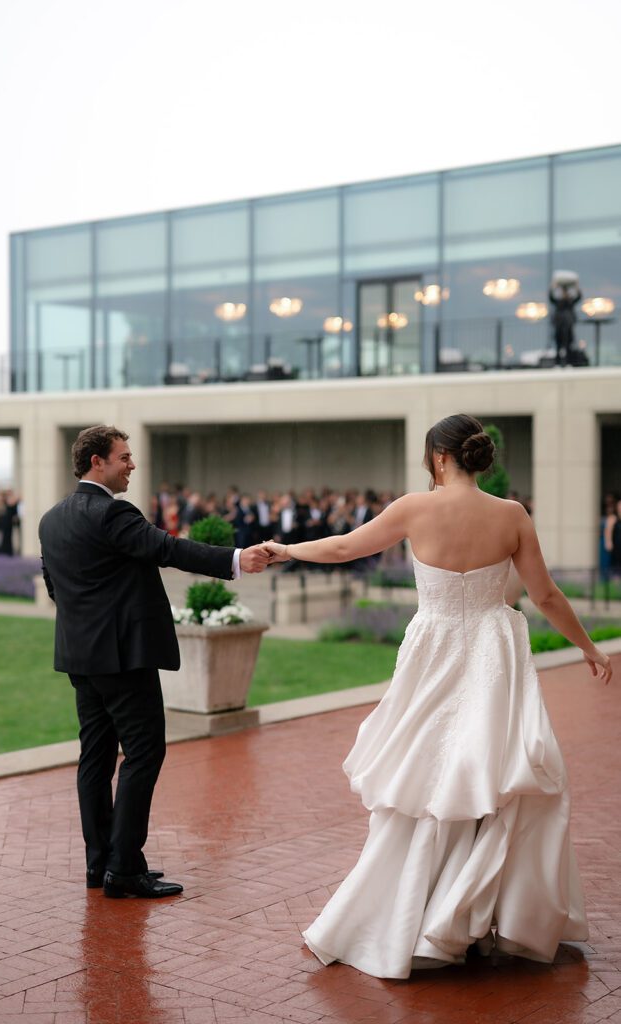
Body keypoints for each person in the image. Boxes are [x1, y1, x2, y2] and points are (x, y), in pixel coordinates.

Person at [263, 413, 612, 979]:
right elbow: (544, 594)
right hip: (494, 650)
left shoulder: (414, 507)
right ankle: (474, 916)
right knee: (495, 775)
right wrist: (589, 648)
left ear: (439, 457)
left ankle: (427, 914)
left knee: (427, 775)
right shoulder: (512, 514)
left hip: (435, 648)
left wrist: (285, 549)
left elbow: (344, 549)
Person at [38, 425, 269, 899]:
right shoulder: (113, 513)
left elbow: (54, 586)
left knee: (96, 758)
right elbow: (166, 548)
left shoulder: (51, 518)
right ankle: (123, 870)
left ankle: (99, 863)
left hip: (81, 659)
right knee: (144, 754)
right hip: (123, 660)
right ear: (96, 462)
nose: (132, 465)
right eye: (124, 457)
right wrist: (237, 558)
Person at [549, 282, 582, 367]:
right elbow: (551, 298)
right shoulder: (558, 302)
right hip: (559, 326)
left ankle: (568, 362)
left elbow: (578, 297)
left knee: (568, 345)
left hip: (568, 326)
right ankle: (558, 363)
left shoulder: (570, 302)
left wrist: (577, 288)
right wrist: (553, 288)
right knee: (558, 345)